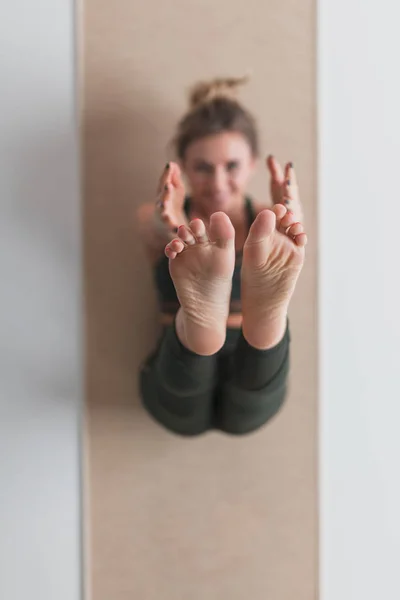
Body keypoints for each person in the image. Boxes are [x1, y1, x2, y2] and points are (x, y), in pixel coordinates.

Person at [137, 76, 307, 436]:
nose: (217, 183)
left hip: (234, 367)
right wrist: (170, 222)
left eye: (231, 166)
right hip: (176, 365)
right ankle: (200, 327)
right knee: (193, 394)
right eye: (202, 167)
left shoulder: (271, 221)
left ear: (253, 165)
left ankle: (261, 323)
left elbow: (286, 226)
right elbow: (154, 223)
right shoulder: (168, 217)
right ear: (181, 167)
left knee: (246, 401)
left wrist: (289, 216)